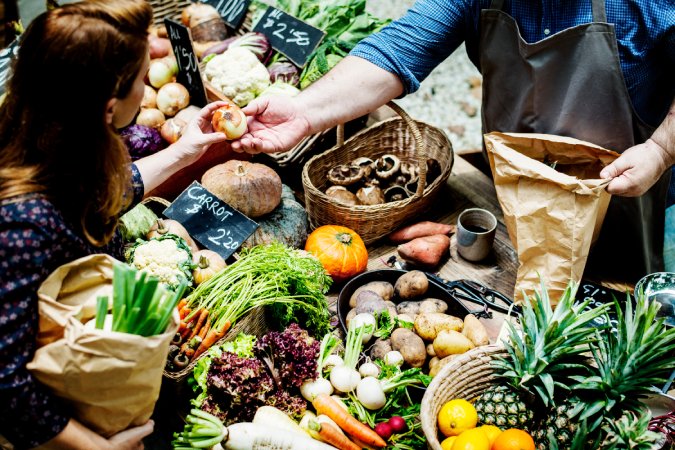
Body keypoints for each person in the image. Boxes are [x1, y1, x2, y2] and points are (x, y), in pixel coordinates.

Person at [232, 0, 675, 282]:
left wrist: (660, 150)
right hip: (515, 194)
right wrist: (305, 111)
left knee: (622, 294)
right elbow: (397, 50)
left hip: (621, 196)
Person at [0, 1, 229, 448]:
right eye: (143, 79)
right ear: (108, 108)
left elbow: (97, 199)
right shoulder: (22, 225)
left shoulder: (45, 138)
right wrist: (97, 447)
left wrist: (188, 148)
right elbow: (6, 381)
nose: (148, 86)